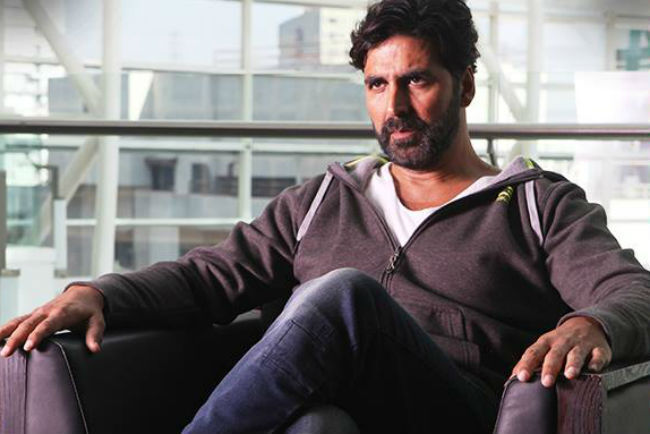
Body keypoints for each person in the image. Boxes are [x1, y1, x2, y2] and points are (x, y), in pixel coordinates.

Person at [2, 0, 650, 432]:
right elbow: (208, 277)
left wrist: (594, 321)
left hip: (454, 412)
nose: (395, 107)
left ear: (467, 85)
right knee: (317, 426)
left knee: (343, 296)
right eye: (377, 84)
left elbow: (634, 292)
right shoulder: (324, 200)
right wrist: (98, 294)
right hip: (342, 413)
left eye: (417, 80)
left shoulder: (538, 204)